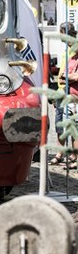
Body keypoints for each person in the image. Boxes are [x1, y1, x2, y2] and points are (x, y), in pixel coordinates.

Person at [50, 22, 78, 168]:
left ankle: (74, 155)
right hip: (62, 91)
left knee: (73, 125)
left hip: (72, 93)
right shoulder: (66, 50)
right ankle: (60, 154)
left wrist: (68, 77)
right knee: (59, 124)